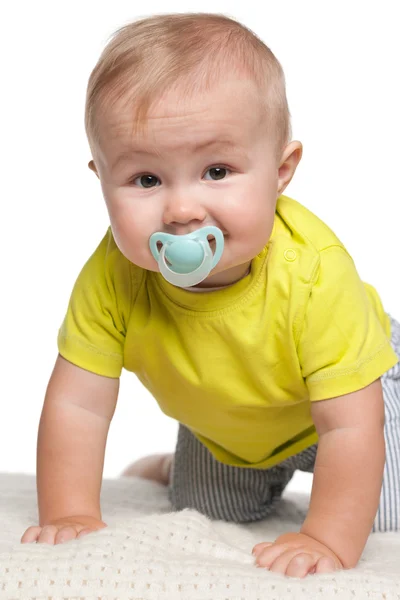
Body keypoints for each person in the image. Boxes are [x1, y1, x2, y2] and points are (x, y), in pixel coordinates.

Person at [20, 12, 399, 579]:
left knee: (378, 520)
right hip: (232, 433)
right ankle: (175, 466)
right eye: (146, 180)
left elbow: (349, 425)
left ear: (281, 170)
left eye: (217, 170)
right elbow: (78, 403)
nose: (181, 210)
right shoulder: (114, 276)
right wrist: (70, 511)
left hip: (361, 407)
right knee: (208, 509)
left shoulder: (315, 275)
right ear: (101, 179)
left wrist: (324, 538)